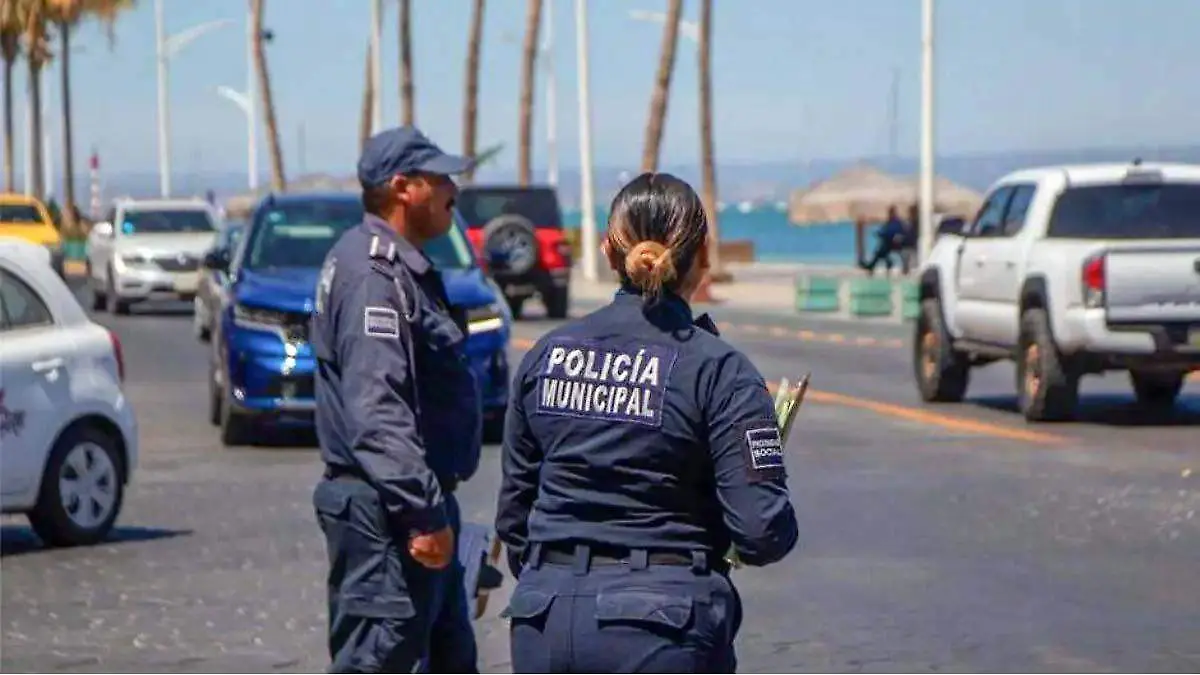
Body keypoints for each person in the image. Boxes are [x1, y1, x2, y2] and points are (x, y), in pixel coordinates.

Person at [495, 172, 800, 673]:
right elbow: (761, 530)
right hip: (662, 624)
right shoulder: (719, 370)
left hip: (542, 618)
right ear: (703, 255)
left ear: (609, 253)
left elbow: (515, 517)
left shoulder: (545, 355)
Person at [310, 125, 482, 673]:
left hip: (412, 503)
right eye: (441, 179)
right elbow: (377, 410)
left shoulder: (389, 263)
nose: (453, 189)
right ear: (404, 187)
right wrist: (424, 511)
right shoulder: (373, 275)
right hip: (391, 518)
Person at [860, 205, 906, 276]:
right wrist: (880, 233)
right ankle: (885, 264)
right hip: (889, 243)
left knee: (880, 252)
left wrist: (881, 233)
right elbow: (885, 230)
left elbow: (890, 232)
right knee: (881, 252)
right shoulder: (891, 221)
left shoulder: (895, 222)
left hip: (894, 243)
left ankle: (875, 265)